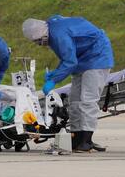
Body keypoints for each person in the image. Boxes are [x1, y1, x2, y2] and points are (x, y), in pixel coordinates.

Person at [23, 15, 114, 153]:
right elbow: (67, 56)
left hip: (98, 58)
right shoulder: (51, 28)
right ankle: (76, 137)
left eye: (39, 41)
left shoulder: (58, 35)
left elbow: (70, 61)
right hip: (82, 60)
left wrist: (53, 80)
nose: (40, 44)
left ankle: (86, 140)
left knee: (88, 100)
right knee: (74, 100)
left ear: (42, 34)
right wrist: (55, 73)